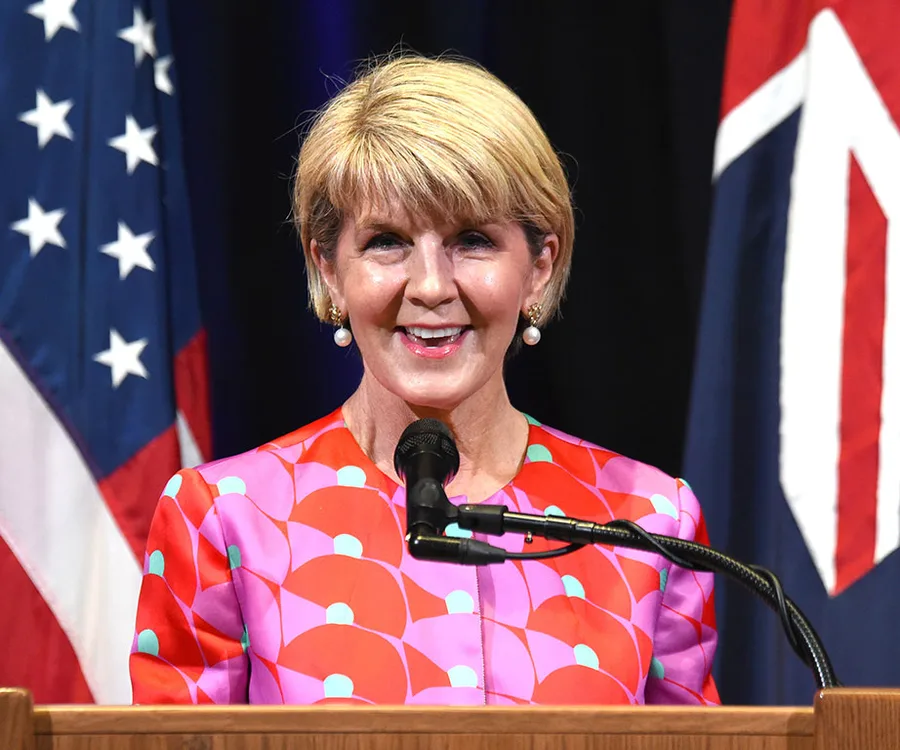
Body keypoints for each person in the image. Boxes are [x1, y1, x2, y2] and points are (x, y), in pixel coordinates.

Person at [129, 53, 719, 706]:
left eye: (472, 240)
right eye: (387, 241)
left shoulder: (648, 521)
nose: (432, 287)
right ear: (328, 268)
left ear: (539, 268)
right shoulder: (224, 517)